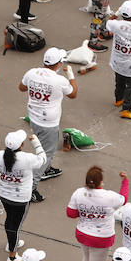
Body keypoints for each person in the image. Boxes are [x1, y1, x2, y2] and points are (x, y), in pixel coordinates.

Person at [66, 167, 130, 261]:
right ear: (100, 181)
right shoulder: (109, 196)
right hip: (102, 238)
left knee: (86, 259)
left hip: (83, 234)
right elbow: (124, 198)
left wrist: (87, 213)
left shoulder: (78, 193)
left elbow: (71, 213)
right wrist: (125, 181)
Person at [19, 48, 76, 182]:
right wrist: (71, 76)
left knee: (42, 145)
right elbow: (73, 94)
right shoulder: (59, 80)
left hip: (34, 116)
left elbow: (21, 88)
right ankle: (33, 186)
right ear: (58, 64)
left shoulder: (31, 73)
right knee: (46, 154)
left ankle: (47, 168)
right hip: (49, 122)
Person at [0, 132, 42, 261]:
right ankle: (12, 256)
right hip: (21, 200)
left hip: (4, 196)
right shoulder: (27, 158)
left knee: (10, 220)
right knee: (16, 226)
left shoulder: (0, 155)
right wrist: (36, 143)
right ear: (22, 146)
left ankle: (11, 243)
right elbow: (42, 160)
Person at [107, 1, 131, 118]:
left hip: (117, 60)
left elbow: (109, 21)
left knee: (120, 80)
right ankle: (127, 109)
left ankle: (119, 99)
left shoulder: (115, 25)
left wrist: (117, 13)